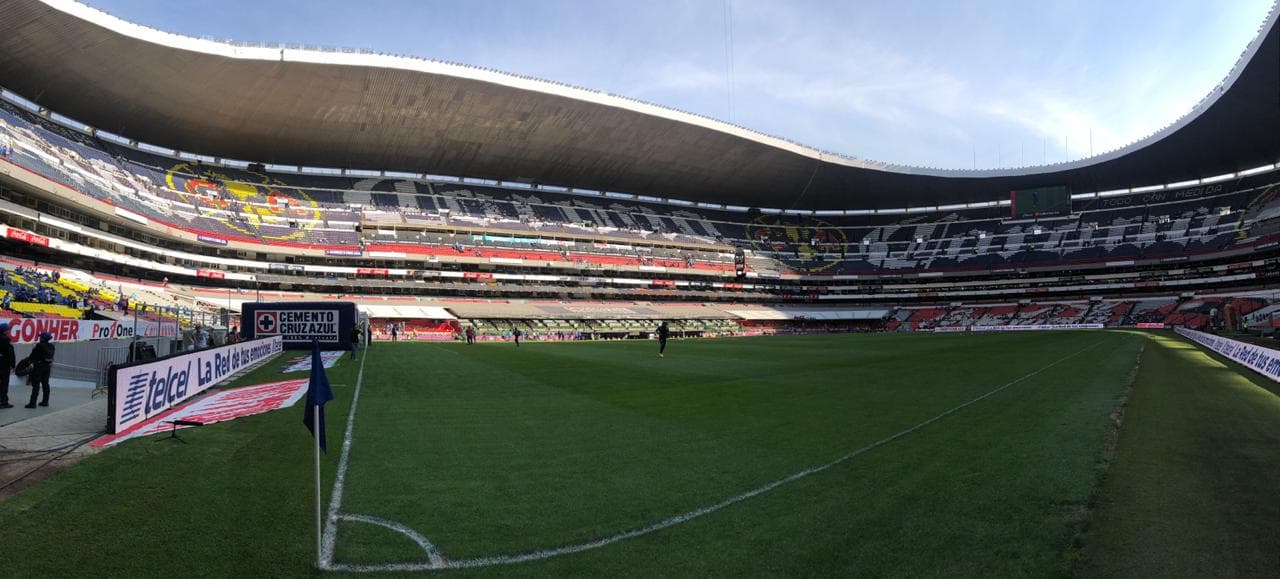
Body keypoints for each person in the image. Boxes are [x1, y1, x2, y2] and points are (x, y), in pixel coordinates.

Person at [25, 332, 54, 408]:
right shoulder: (52, 346)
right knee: (45, 384)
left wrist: (31, 362)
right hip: (47, 367)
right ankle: (45, 401)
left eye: (40, 337)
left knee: (36, 385)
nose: (39, 338)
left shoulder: (39, 345)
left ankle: (32, 403)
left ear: (43, 338)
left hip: (39, 367)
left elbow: (32, 356)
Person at [0, 323, 14, 409]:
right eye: (8, 330)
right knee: (4, 384)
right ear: (5, 331)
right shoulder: (6, 340)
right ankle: (4, 402)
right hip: (4, 365)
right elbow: (10, 354)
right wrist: (13, 365)